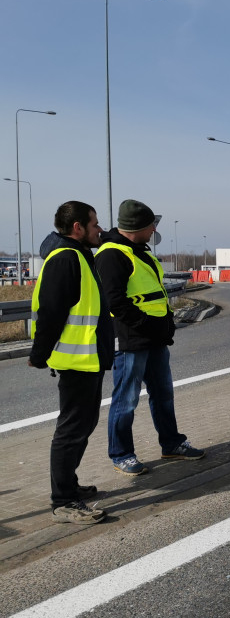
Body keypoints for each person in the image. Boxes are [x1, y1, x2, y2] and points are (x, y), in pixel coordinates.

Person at [95, 199, 204, 476]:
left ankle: (172, 444)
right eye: (150, 225)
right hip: (131, 339)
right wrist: (145, 324)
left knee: (163, 394)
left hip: (153, 337)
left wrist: (164, 325)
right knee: (126, 399)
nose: (154, 229)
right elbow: (115, 302)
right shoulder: (111, 254)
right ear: (136, 228)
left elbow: (153, 294)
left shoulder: (139, 251)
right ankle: (122, 454)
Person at [29, 202, 114, 524]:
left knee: (83, 425)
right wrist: (38, 355)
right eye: (94, 224)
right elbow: (51, 311)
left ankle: (71, 486)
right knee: (71, 430)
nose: (99, 229)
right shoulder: (66, 258)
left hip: (87, 358)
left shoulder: (78, 255)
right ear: (77, 226)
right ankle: (63, 501)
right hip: (74, 359)